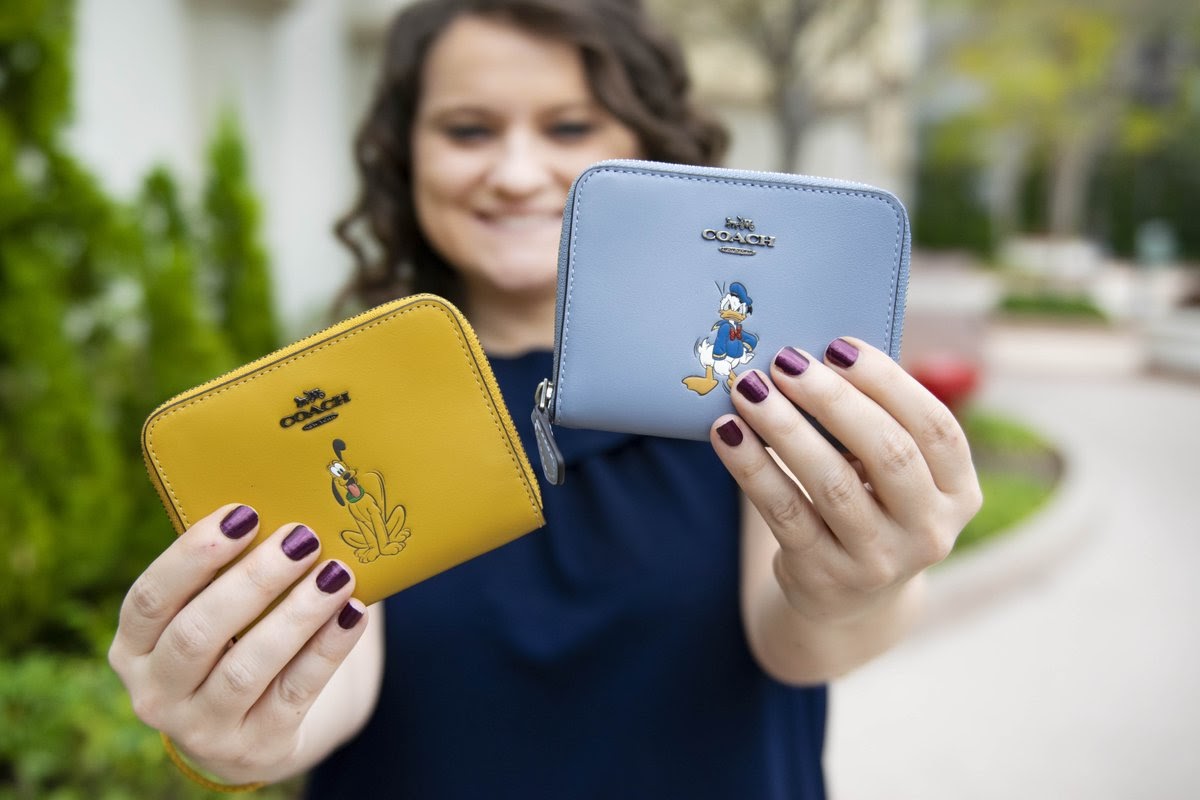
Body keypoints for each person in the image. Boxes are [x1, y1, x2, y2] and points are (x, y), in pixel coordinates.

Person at [108, 1, 982, 797]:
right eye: (468, 129)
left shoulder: (751, 374)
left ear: (646, 144)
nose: (518, 172)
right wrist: (241, 728)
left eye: (570, 126)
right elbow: (336, 682)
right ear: (406, 153)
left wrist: (861, 588)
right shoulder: (342, 392)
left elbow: (801, 642)